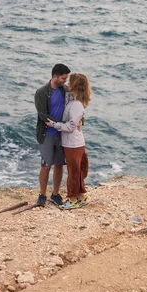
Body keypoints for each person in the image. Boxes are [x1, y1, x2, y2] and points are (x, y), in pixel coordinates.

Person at [46, 73, 91, 210]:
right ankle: (81, 196)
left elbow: (71, 126)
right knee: (76, 170)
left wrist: (54, 125)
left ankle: (72, 199)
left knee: (73, 172)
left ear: (75, 86)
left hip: (73, 143)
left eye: (70, 82)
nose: (68, 84)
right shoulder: (73, 100)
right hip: (74, 142)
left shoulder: (76, 105)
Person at [34, 64, 71, 206]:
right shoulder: (42, 92)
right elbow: (43, 115)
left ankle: (55, 194)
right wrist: (62, 124)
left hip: (62, 135)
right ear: (55, 76)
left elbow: (75, 107)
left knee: (60, 164)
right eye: (63, 78)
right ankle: (42, 195)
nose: (65, 81)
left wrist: (79, 120)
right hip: (47, 134)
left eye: (66, 78)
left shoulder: (66, 91)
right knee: (45, 166)